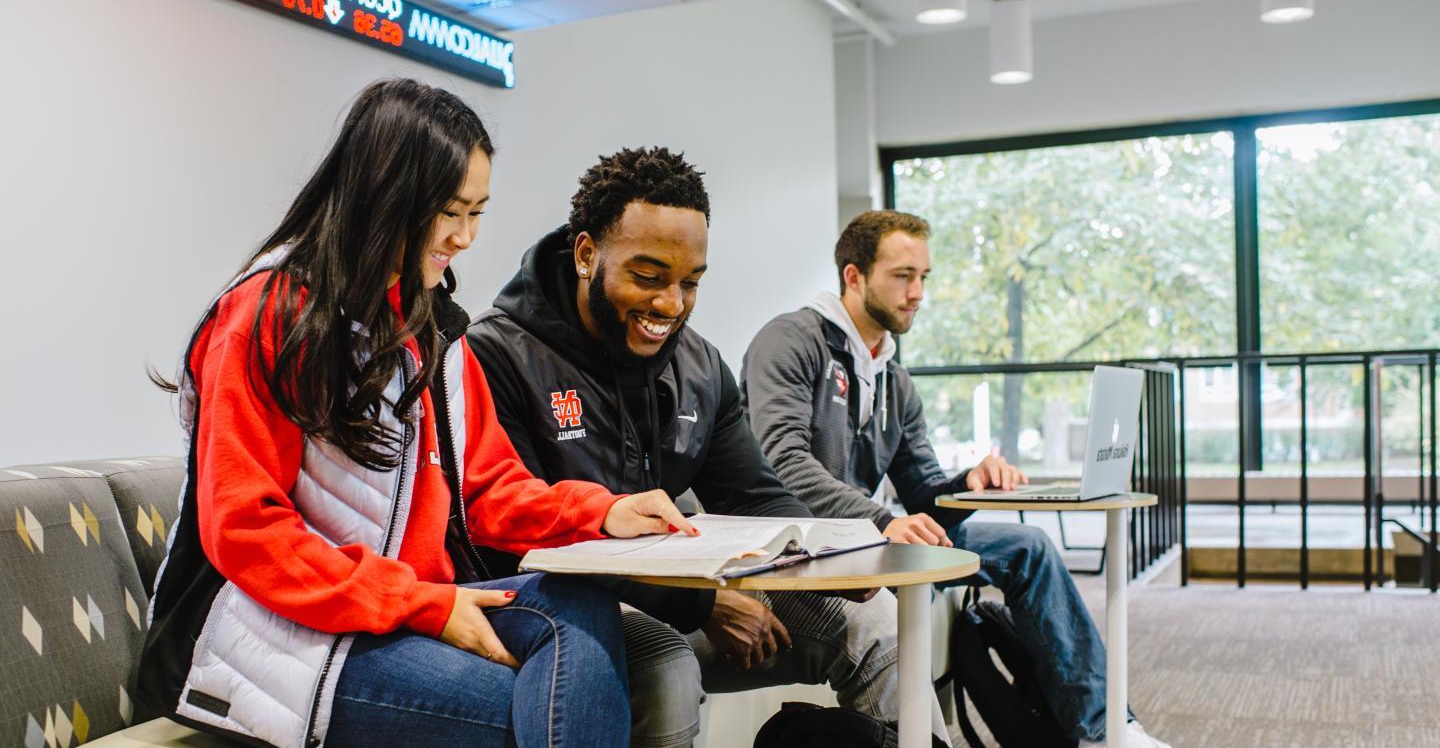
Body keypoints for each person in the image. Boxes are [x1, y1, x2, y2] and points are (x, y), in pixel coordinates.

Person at [137, 79, 696, 748]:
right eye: (451, 211)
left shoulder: (429, 325)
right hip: (280, 639)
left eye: (478, 213)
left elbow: (486, 488)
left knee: (580, 602)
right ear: (388, 196)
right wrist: (424, 604)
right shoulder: (266, 315)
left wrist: (600, 511)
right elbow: (248, 533)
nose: (464, 237)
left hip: (391, 611)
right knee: (536, 713)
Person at [466, 149, 950, 748]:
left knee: (879, 621)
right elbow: (517, 537)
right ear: (588, 253)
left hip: (689, 595)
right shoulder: (496, 355)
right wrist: (702, 606)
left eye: (689, 282)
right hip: (565, 609)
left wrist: (835, 559)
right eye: (648, 277)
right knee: (666, 669)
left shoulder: (698, 364)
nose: (670, 304)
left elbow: (755, 495)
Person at [741, 210, 1172, 748]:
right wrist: (880, 522)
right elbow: (780, 461)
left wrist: (974, 480)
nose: (917, 292)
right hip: (805, 545)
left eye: (924, 277)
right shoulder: (790, 341)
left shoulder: (893, 379)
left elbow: (925, 492)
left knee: (1028, 547)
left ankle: (1104, 730)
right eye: (903, 275)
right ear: (853, 276)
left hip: (873, 539)